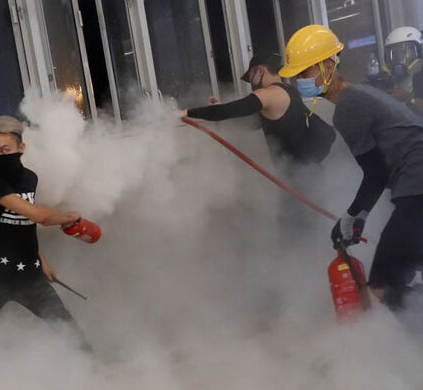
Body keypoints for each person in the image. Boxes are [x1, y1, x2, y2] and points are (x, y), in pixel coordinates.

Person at [279, 24, 423, 311]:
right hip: (414, 185)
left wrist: (352, 216)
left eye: (305, 73)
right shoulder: (361, 94)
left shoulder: (348, 106)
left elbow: (376, 174)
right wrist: (356, 216)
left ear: (328, 65)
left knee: (383, 284)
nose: (299, 82)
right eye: (296, 77)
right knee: (404, 270)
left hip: (417, 186)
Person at [0, 115, 93, 352]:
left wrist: (42, 260)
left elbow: (22, 224)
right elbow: (38, 216)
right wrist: (68, 217)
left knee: (65, 326)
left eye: (5, 150)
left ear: (21, 148)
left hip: (28, 276)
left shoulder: (29, 178)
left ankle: (95, 377)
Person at [180, 53, 336, 165]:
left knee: (297, 212)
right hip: (307, 172)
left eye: (251, 77)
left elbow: (227, 111)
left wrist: (186, 113)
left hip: (297, 178)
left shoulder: (269, 94)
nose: (251, 83)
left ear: (260, 70)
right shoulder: (289, 90)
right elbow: (254, 123)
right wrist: (220, 108)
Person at [369, 26, 423, 115]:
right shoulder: (387, 82)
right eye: (394, 54)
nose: (399, 59)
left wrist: (410, 99)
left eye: (404, 53)